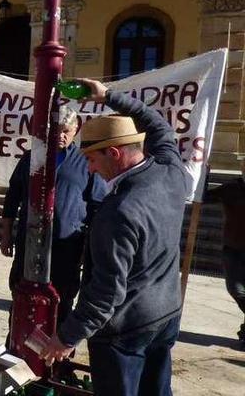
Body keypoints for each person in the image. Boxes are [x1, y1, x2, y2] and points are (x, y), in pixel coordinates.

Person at [40, 79, 188, 396]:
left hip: (125, 332)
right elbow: (157, 123)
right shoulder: (171, 170)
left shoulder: (118, 212)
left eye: (92, 160)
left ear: (114, 152)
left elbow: (106, 293)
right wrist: (107, 95)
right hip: (166, 315)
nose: (90, 170)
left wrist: (66, 337)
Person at [1, 106, 106, 325]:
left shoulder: (86, 162)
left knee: (61, 298)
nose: (61, 135)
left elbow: (98, 206)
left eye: (67, 131)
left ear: (76, 130)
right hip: (28, 242)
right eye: (56, 130)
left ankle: (56, 354)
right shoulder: (32, 158)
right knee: (21, 293)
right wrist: (5, 234)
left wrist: (93, 249)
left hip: (65, 247)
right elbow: (13, 197)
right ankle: (17, 343)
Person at [204, 163, 245, 350]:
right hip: (233, 248)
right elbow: (203, 198)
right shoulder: (231, 188)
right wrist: (203, 176)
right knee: (236, 289)